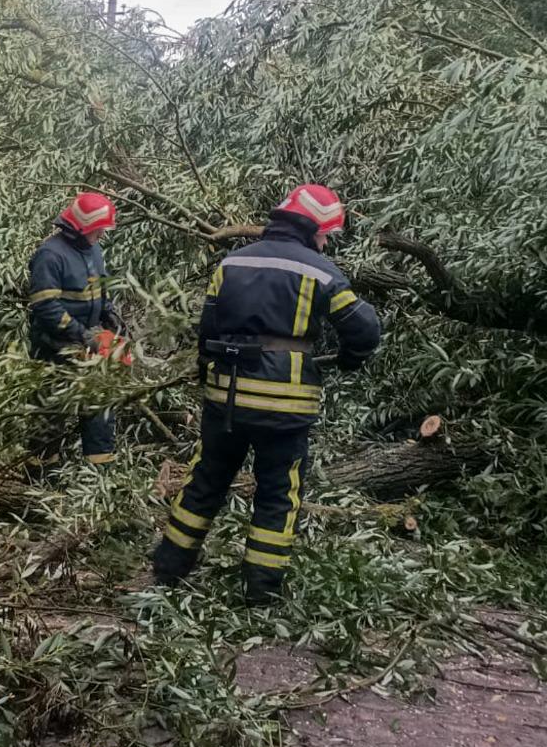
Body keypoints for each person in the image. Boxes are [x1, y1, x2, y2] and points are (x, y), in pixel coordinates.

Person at [153, 184, 381, 604]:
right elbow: (365, 328)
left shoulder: (231, 262)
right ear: (313, 226)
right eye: (326, 232)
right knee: (278, 493)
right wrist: (352, 359)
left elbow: (206, 332)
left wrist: (210, 373)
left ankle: (168, 570)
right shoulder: (321, 271)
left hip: (226, 400)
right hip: (285, 407)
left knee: (205, 481)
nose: (326, 240)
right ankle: (261, 593)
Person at [27, 192, 125, 465]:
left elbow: (100, 286)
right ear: (81, 229)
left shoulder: (92, 249)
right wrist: (80, 335)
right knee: (51, 408)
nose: (101, 236)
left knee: (99, 402)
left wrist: (109, 315)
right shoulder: (50, 255)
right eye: (98, 231)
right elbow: (46, 306)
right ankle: (41, 472)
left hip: (89, 340)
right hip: (54, 346)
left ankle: (99, 469)